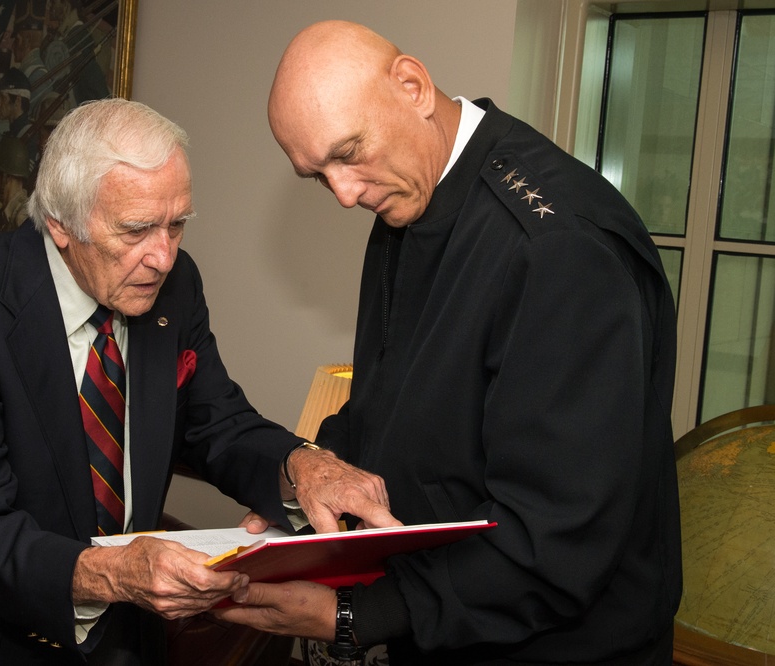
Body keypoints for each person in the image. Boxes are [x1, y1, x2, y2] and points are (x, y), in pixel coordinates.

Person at [215, 20, 682, 666]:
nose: (345, 194)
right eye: (317, 176)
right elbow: (395, 402)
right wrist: (312, 507)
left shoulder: (555, 248)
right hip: (450, 628)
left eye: (348, 153)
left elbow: (554, 540)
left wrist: (355, 614)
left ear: (412, 86)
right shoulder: (408, 192)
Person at [0, 98, 395, 665]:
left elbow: (216, 420)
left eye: (177, 225)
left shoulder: (174, 286)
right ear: (60, 224)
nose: (163, 258)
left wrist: (301, 466)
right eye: (137, 229)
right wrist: (117, 573)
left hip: (120, 644)